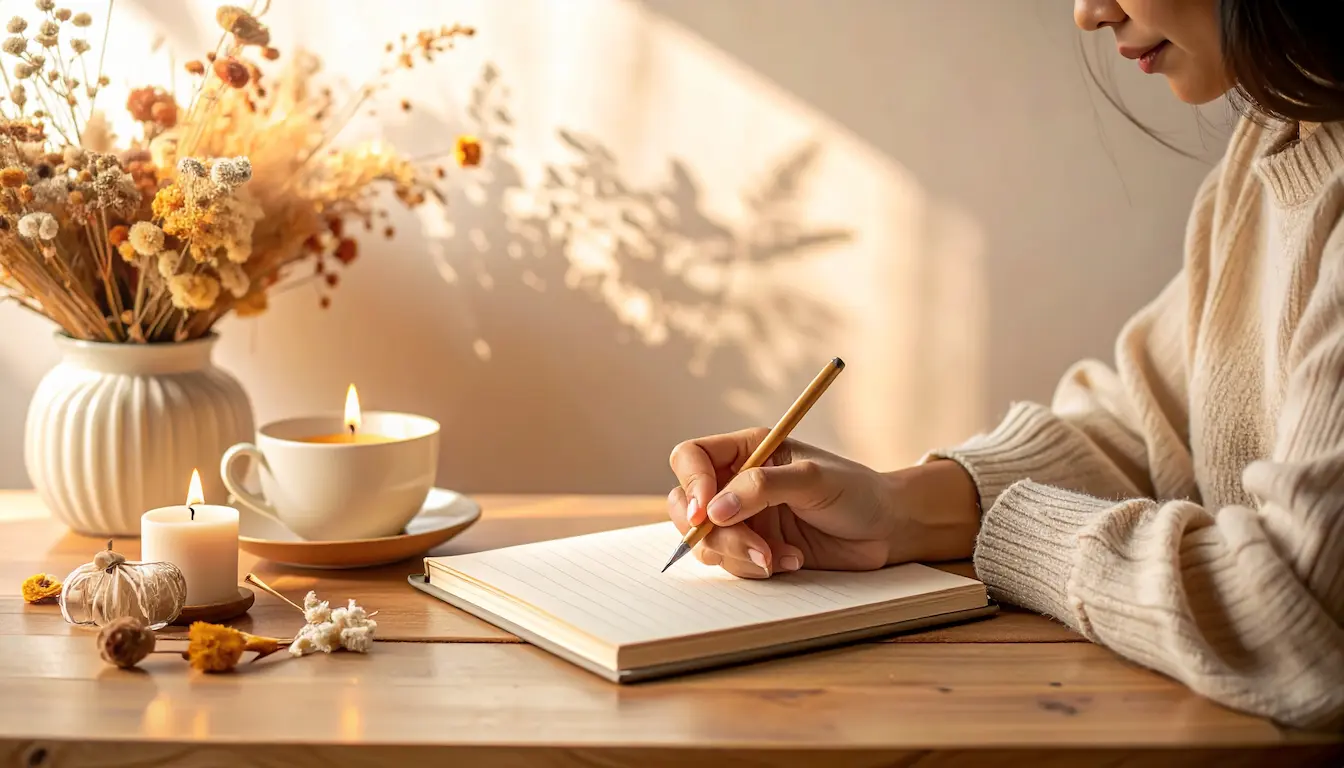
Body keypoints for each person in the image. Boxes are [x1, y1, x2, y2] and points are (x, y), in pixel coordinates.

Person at [665, 0, 1344, 731]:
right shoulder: (1272, 147)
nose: (1088, 13)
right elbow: (1145, 430)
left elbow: (1295, 612)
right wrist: (896, 508)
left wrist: (1013, 532)